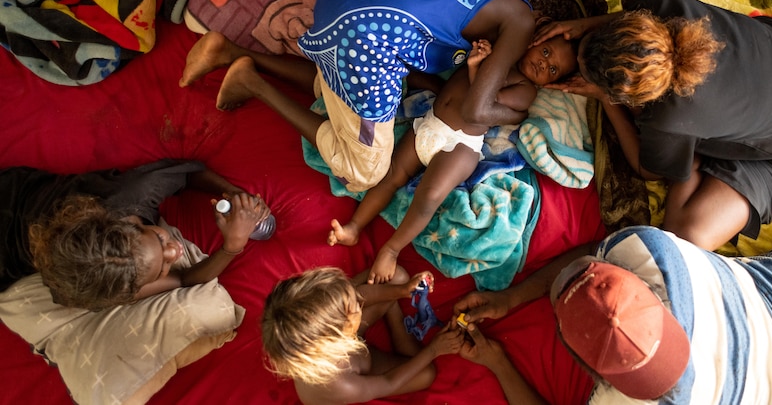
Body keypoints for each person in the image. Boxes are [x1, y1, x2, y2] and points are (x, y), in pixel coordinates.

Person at [453, 168, 772, 403]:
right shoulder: (654, 255)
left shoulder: (621, 401)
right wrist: (512, 298)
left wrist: (499, 361)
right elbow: (595, 257)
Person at [179, 0, 537, 194]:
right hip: (359, 37)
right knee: (366, 172)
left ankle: (229, 52)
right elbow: (476, 111)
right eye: (551, 65)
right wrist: (518, 113)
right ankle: (252, 82)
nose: (541, 69)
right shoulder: (521, 26)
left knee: (353, 88)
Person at [533, 0, 772, 250]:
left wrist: (605, 100)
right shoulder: (667, 9)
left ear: (625, 95)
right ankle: (692, 149)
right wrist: (584, 25)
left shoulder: (671, 117)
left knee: (685, 236)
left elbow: (648, 169)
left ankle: (689, 156)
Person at [327, 36, 578, 284]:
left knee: (430, 196)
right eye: (546, 52)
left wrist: (474, 67)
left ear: (550, 83)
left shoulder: (526, 90)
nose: (544, 64)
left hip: (459, 144)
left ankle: (391, 250)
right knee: (392, 176)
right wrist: (480, 56)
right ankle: (354, 228)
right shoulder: (497, 57)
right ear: (534, 42)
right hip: (428, 124)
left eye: (553, 69)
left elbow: (483, 101)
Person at [0, 159, 272, 310]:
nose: (174, 250)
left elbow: (190, 174)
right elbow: (185, 278)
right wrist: (231, 247)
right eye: (164, 267)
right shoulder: (96, 286)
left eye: (160, 238)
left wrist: (235, 195)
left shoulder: (134, 193)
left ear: (133, 221)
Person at [260, 266, 464, 405]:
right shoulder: (340, 385)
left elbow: (357, 295)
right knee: (426, 374)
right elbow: (388, 382)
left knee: (397, 276)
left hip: (344, 338)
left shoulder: (327, 324)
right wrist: (434, 350)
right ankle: (394, 316)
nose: (359, 302)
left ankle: (391, 304)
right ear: (341, 333)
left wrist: (402, 290)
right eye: (354, 307)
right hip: (361, 369)